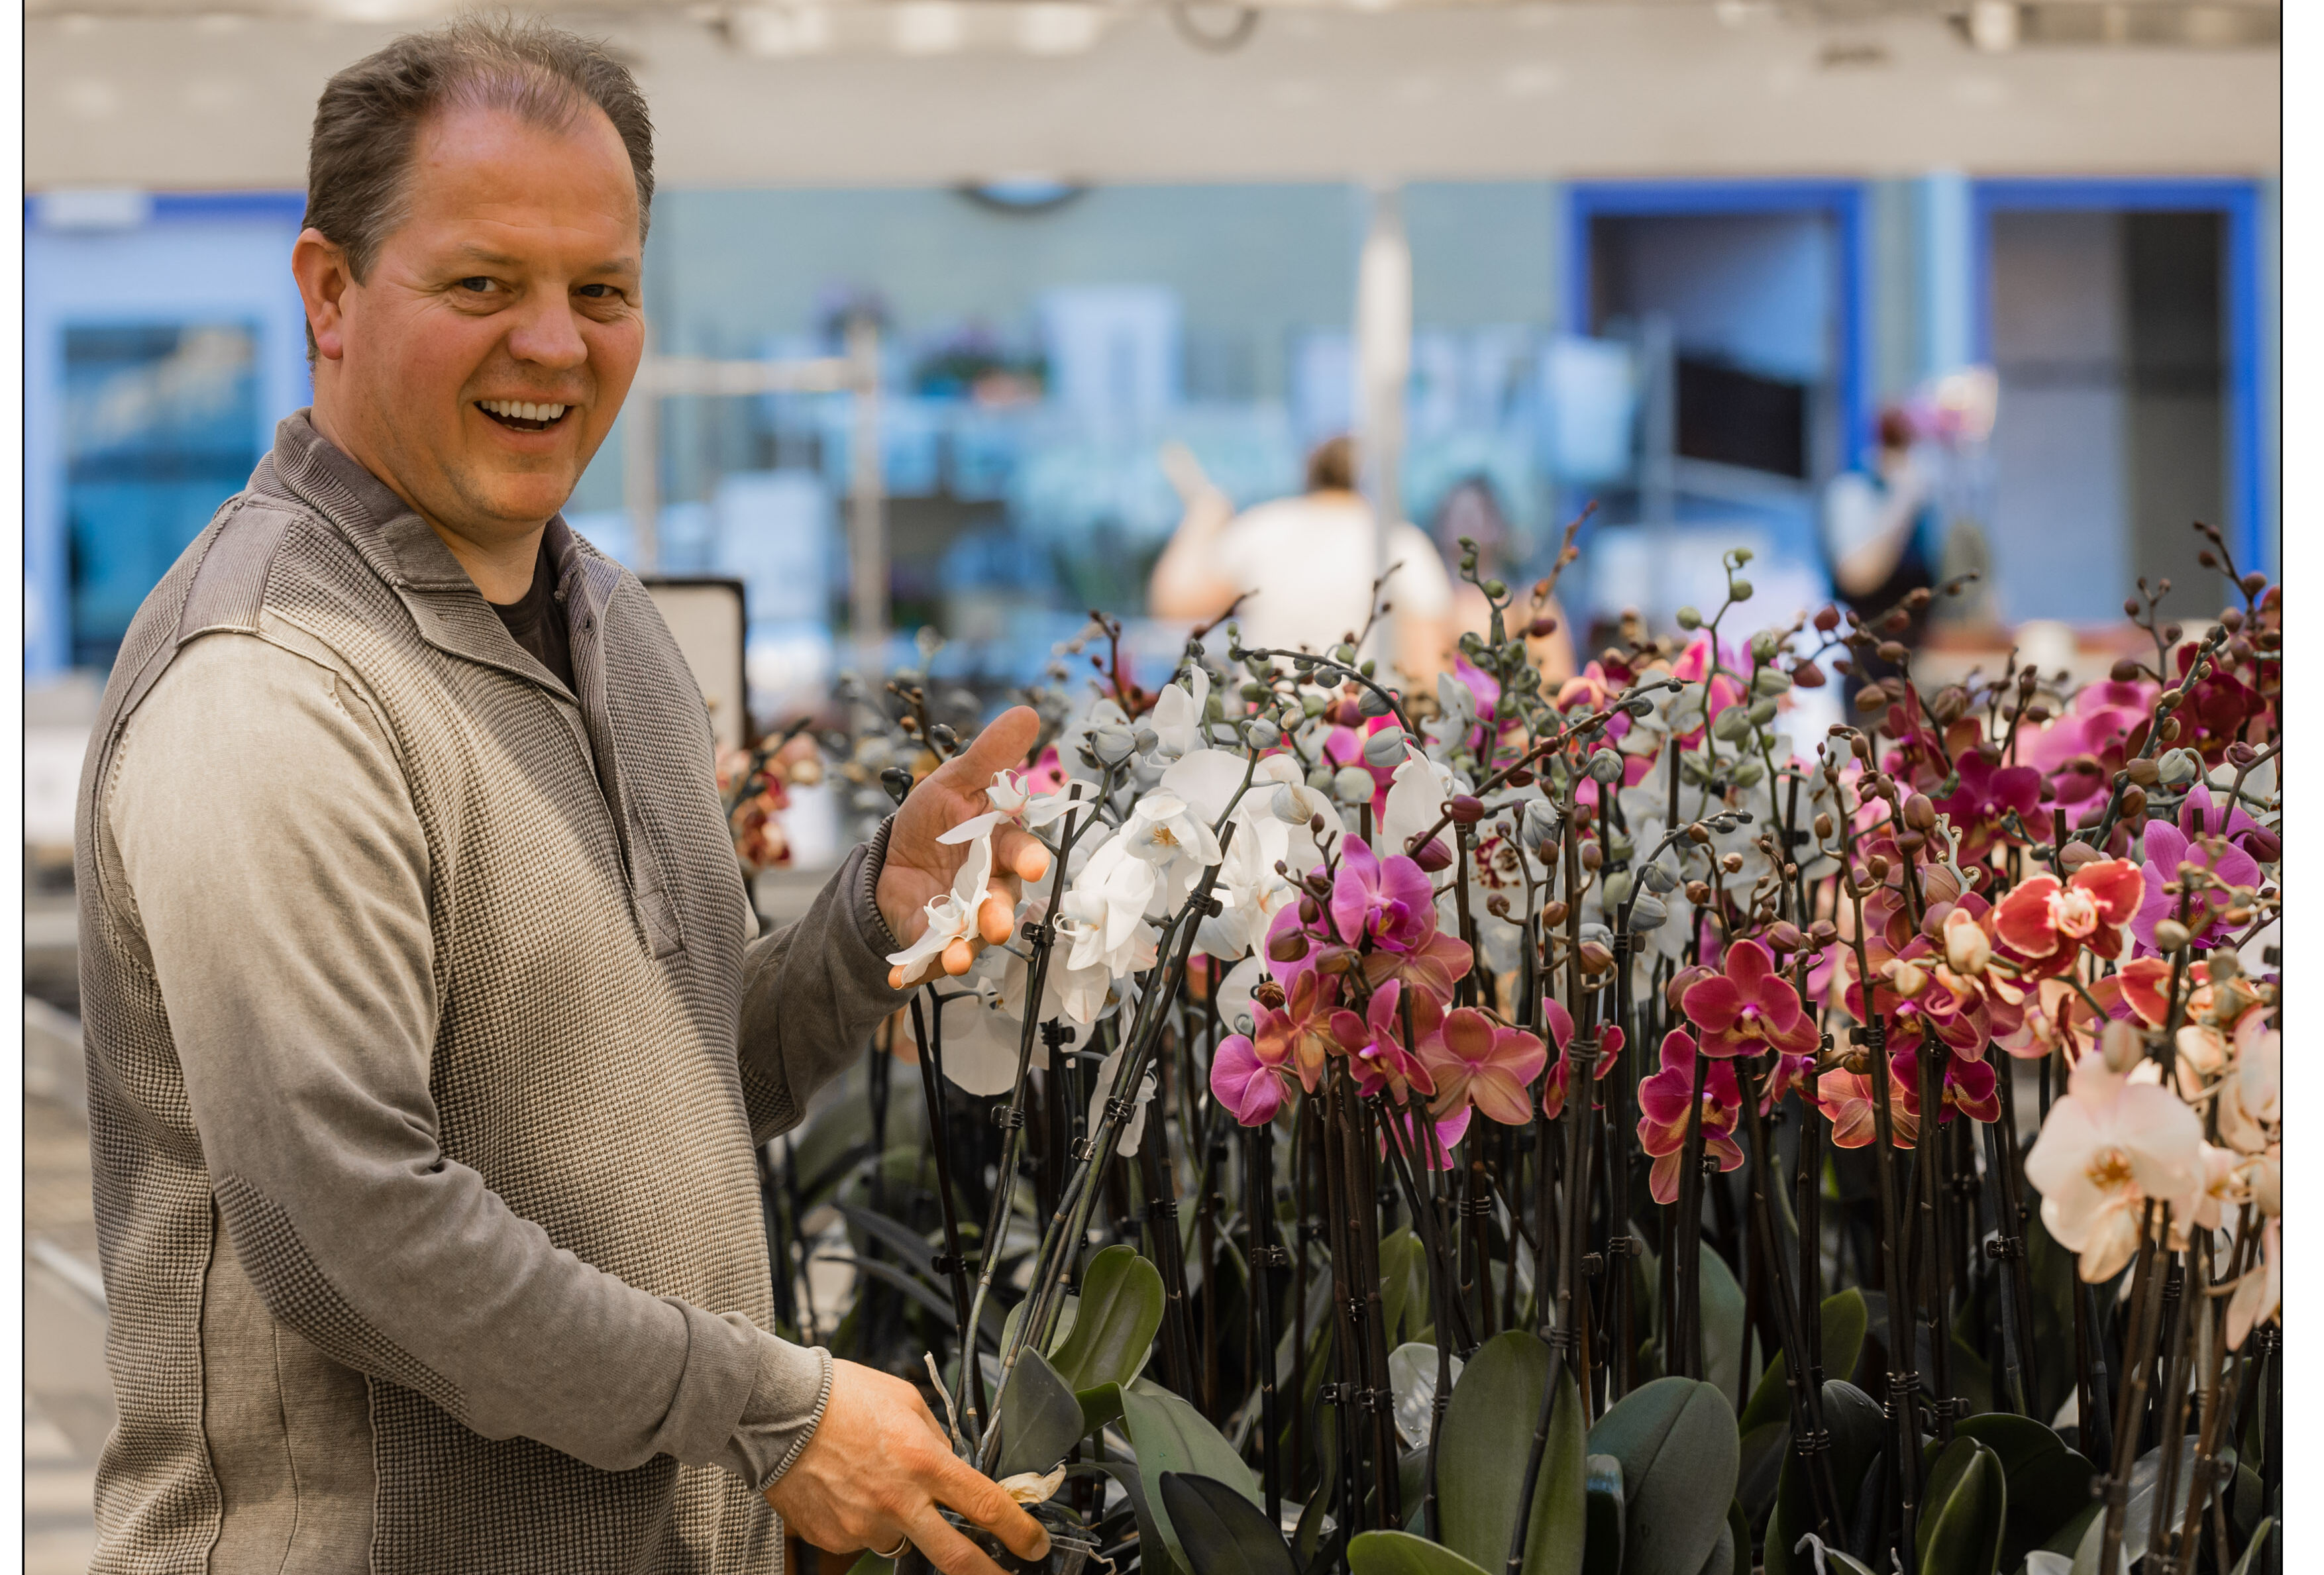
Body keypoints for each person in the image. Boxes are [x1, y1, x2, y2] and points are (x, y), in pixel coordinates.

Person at [73, 21, 1049, 1574]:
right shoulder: (272, 681)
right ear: (328, 292)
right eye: (483, 285)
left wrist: (870, 918)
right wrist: (771, 1408)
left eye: (600, 291)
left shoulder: (611, 620)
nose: (554, 343)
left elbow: (682, 1081)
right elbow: (351, 1233)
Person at [1148, 434, 1453, 683]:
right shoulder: (1401, 541)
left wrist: (1205, 515)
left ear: (1309, 474)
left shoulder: (1262, 529)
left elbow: (1176, 604)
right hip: (1364, 737)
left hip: (1268, 734)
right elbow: (1429, 669)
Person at [1430, 475, 1577, 687]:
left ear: (1501, 523)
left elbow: (1559, 684)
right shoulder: (1427, 609)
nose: (1471, 522)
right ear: (1441, 525)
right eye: (1460, 515)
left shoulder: (1534, 605)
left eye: (1481, 512)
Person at [1822, 405, 1940, 636]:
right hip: (1865, 646)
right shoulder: (1852, 492)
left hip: (1914, 650)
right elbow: (1857, 577)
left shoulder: (1923, 504)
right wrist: (1902, 501)